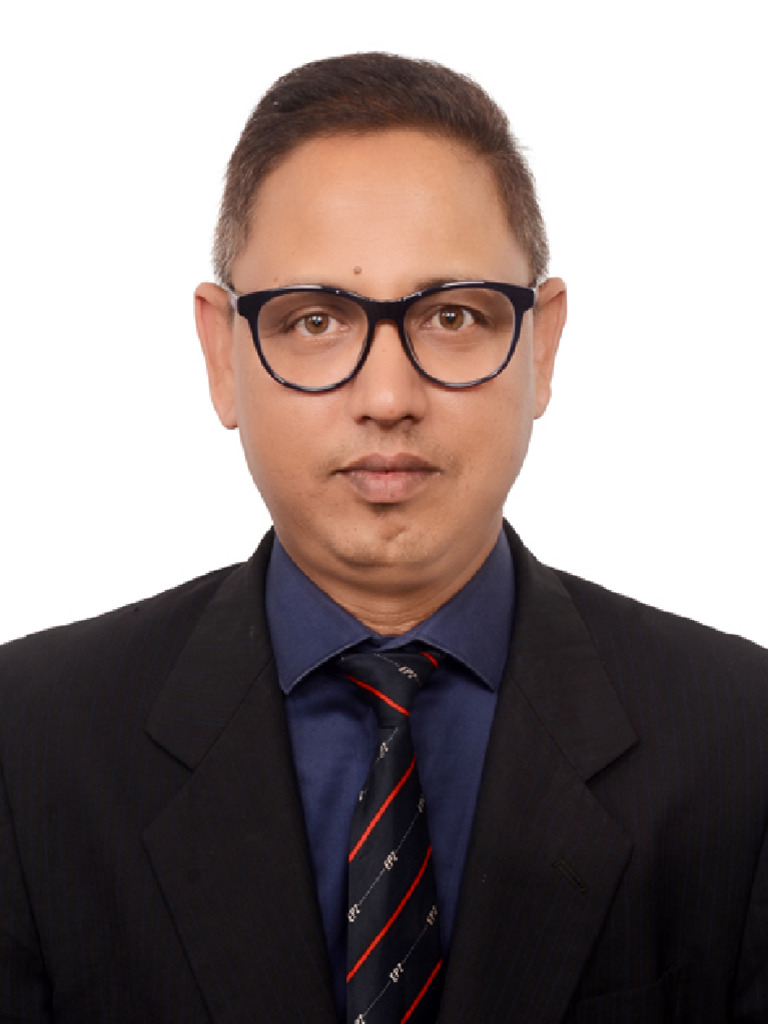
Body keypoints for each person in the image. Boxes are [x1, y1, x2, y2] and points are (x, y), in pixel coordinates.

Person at [1, 51, 766, 1024]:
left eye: (452, 315)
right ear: (223, 353)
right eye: (315, 320)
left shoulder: (742, 739)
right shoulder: (29, 744)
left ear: (541, 344)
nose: (389, 396)